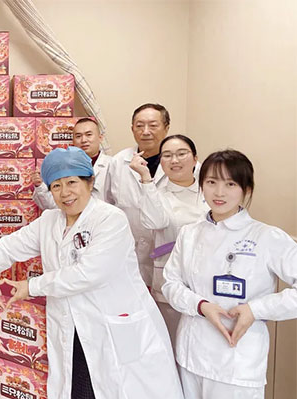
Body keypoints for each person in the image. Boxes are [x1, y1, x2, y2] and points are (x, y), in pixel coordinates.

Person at [0, 147, 187, 399]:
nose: (65, 193)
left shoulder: (110, 219)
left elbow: (89, 273)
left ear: (90, 182)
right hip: (73, 328)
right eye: (56, 186)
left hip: (114, 327)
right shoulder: (49, 220)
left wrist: (31, 286)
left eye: (72, 182)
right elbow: (9, 247)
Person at [162, 150, 297, 399]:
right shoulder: (190, 233)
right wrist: (201, 306)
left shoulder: (266, 237)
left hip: (236, 362)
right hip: (191, 355)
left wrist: (256, 309)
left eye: (230, 183)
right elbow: (170, 283)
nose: (219, 192)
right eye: (211, 182)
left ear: (246, 189)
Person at [130, 134, 209, 344]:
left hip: (207, 278)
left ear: (195, 158)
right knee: (172, 344)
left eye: (181, 154)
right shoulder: (155, 193)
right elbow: (153, 222)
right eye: (167, 155)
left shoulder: (210, 192)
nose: (175, 160)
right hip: (171, 281)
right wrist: (146, 178)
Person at [104, 103, 176, 287]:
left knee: (166, 299)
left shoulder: (182, 164)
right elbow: (107, 205)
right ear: (132, 129)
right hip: (128, 252)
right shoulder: (119, 162)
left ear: (166, 128)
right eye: (139, 126)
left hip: (169, 252)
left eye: (153, 125)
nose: (145, 131)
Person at [32, 117, 111, 209]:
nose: (83, 140)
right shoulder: (61, 166)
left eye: (89, 135)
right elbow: (53, 205)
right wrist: (40, 186)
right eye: (78, 136)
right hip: (71, 217)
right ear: (73, 141)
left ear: (100, 138)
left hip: (104, 216)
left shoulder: (112, 165)